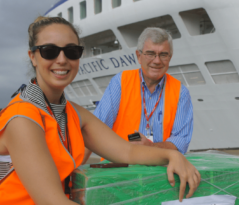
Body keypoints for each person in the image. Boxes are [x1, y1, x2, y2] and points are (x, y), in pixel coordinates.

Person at [0, 17, 200, 204]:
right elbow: (51, 201)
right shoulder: (22, 118)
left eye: (71, 51)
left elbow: (127, 151)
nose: (61, 60)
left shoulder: (71, 112)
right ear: (33, 57)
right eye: (49, 51)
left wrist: (172, 156)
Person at [83, 27, 193, 163]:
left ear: (170, 57)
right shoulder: (121, 82)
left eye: (163, 55)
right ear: (138, 56)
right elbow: (93, 129)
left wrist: (151, 147)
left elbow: (181, 141)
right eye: (150, 53)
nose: (157, 61)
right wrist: (73, 173)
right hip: (116, 172)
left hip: (159, 175)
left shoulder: (181, 92)